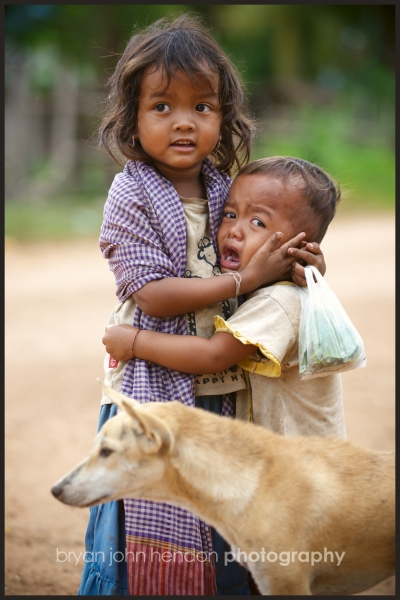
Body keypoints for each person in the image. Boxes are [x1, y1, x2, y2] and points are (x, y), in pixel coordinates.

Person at [80, 14, 326, 597]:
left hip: (221, 397)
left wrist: (303, 265)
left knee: (218, 533)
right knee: (141, 526)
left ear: (225, 117)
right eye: (162, 106)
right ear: (133, 120)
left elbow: (266, 253)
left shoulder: (227, 191)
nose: (184, 122)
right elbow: (151, 290)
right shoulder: (131, 192)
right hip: (150, 393)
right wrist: (238, 285)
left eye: (203, 107)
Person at [103, 156, 346, 445]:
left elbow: (213, 355)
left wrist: (134, 342)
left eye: (257, 222)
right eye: (229, 214)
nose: (234, 230)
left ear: (298, 248)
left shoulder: (280, 301)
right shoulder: (260, 291)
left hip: (305, 470)